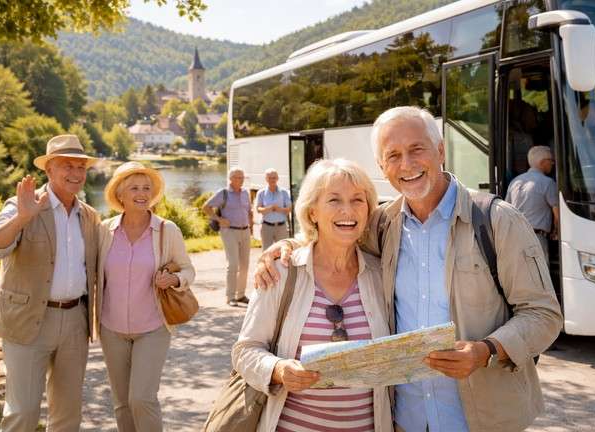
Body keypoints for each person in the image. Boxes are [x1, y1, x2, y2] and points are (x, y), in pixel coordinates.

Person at [255, 107, 563, 431]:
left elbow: (543, 314)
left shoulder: (498, 220)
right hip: (406, 420)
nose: (407, 164)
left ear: (440, 150)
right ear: (382, 166)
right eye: (393, 155)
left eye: (417, 149)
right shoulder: (382, 224)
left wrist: (486, 350)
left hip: (482, 420)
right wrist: (287, 247)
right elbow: (335, 231)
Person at [233, 159, 393, 431]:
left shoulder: (382, 274)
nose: (347, 210)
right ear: (312, 212)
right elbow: (245, 351)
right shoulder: (281, 272)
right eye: (333, 200)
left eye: (358, 200)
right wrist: (278, 370)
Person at [0, 134, 100, 431]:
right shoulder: (22, 205)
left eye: (80, 167)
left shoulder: (90, 216)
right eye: (66, 166)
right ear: (49, 170)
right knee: (22, 411)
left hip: (75, 320)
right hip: (27, 319)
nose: (75, 173)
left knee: (68, 414)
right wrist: (21, 218)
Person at [97, 162, 196, 431]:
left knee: (141, 398)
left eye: (147, 188)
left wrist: (175, 279)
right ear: (119, 195)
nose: (142, 193)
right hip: (111, 328)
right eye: (134, 188)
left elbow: (188, 269)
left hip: (153, 328)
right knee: (121, 402)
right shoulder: (104, 231)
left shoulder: (167, 230)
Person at [202, 167, 253, 306]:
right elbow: (206, 207)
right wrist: (219, 219)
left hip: (245, 231)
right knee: (233, 264)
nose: (241, 180)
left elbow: (249, 211)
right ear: (230, 179)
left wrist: (251, 227)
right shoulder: (223, 193)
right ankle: (230, 296)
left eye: (242, 177)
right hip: (229, 231)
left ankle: (241, 295)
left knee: (245, 265)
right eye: (237, 177)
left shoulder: (245, 193)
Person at [505, 146, 559, 259]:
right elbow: (557, 213)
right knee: (539, 273)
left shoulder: (515, 182)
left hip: (515, 237)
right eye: (551, 161)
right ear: (542, 162)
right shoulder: (547, 183)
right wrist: (556, 231)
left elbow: (506, 210)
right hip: (536, 239)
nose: (553, 164)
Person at [255, 168, 292, 250]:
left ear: (277, 178)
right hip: (266, 226)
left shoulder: (284, 192)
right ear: (266, 179)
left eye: (274, 177)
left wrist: (279, 209)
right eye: (270, 178)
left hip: (281, 227)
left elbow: (289, 208)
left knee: (283, 250)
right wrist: (270, 208)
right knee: (267, 251)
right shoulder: (261, 193)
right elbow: (258, 209)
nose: (272, 180)